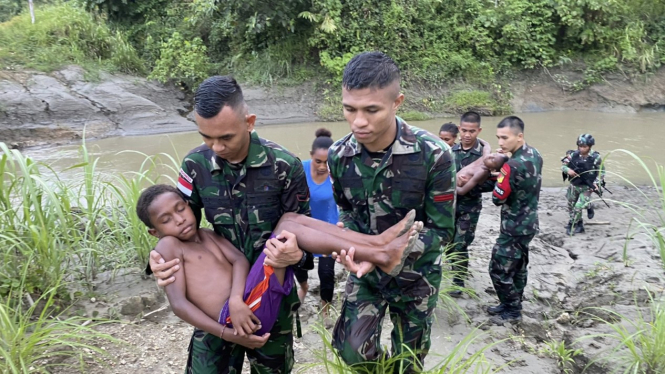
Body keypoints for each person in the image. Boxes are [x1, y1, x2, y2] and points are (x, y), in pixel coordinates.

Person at [147, 76, 421, 373]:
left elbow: (303, 237)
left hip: (271, 291)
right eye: (206, 137)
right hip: (216, 300)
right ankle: (380, 248)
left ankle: (380, 248)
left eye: (225, 138)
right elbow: (182, 226)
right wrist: (158, 258)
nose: (217, 147)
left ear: (249, 122)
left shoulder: (283, 166)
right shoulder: (194, 166)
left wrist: (296, 256)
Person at [138, 184, 422, 355]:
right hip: (238, 320)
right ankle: (381, 252)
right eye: (166, 219)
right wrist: (228, 332)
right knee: (285, 228)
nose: (179, 220)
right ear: (155, 232)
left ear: (189, 205)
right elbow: (178, 305)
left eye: (180, 209)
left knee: (287, 218)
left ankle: (378, 244)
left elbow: (239, 261)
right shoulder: (169, 246)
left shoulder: (207, 235)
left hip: (246, 302)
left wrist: (237, 298)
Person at [327, 51, 456, 373]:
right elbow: (347, 211)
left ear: (397, 102)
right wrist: (351, 245)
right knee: (352, 350)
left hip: (416, 277)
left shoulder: (434, 155)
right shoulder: (339, 156)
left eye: (371, 110)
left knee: (409, 364)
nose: (359, 121)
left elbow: (442, 230)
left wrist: (391, 252)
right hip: (367, 276)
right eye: (349, 109)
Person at [488, 116, 543, 325]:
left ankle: (512, 309)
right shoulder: (535, 154)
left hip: (513, 226)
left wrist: (499, 175)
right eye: (498, 138)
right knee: (519, 266)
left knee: (498, 268)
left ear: (519, 136)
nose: (500, 143)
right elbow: (525, 182)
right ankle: (513, 301)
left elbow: (497, 199)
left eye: (505, 137)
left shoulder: (511, 165)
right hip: (530, 223)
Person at [293, 128, 339, 325]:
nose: (323, 167)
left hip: (327, 231)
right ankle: (303, 287)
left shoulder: (337, 177)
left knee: (327, 274)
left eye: (328, 162)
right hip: (303, 228)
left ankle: (325, 306)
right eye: (318, 161)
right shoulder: (299, 170)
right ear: (311, 156)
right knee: (299, 264)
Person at [448, 111, 494, 297]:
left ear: (479, 130)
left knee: (461, 244)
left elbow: (492, 182)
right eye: (464, 130)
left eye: (472, 131)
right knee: (449, 243)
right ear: (459, 129)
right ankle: (455, 270)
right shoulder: (450, 152)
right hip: (449, 207)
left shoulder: (484, 157)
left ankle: (458, 282)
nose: (467, 135)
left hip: (470, 207)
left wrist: (471, 185)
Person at [561, 134, 605, 236]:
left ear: (589, 147)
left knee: (578, 206)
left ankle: (571, 224)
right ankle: (580, 224)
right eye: (580, 146)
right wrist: (568, 170)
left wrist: (596, 183)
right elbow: (563, 166)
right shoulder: (573, 155)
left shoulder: (596, 157)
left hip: (587, 187)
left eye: (584, 147)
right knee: (571, 206)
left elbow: (601, 172)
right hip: (574, 185)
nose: (581, 148)